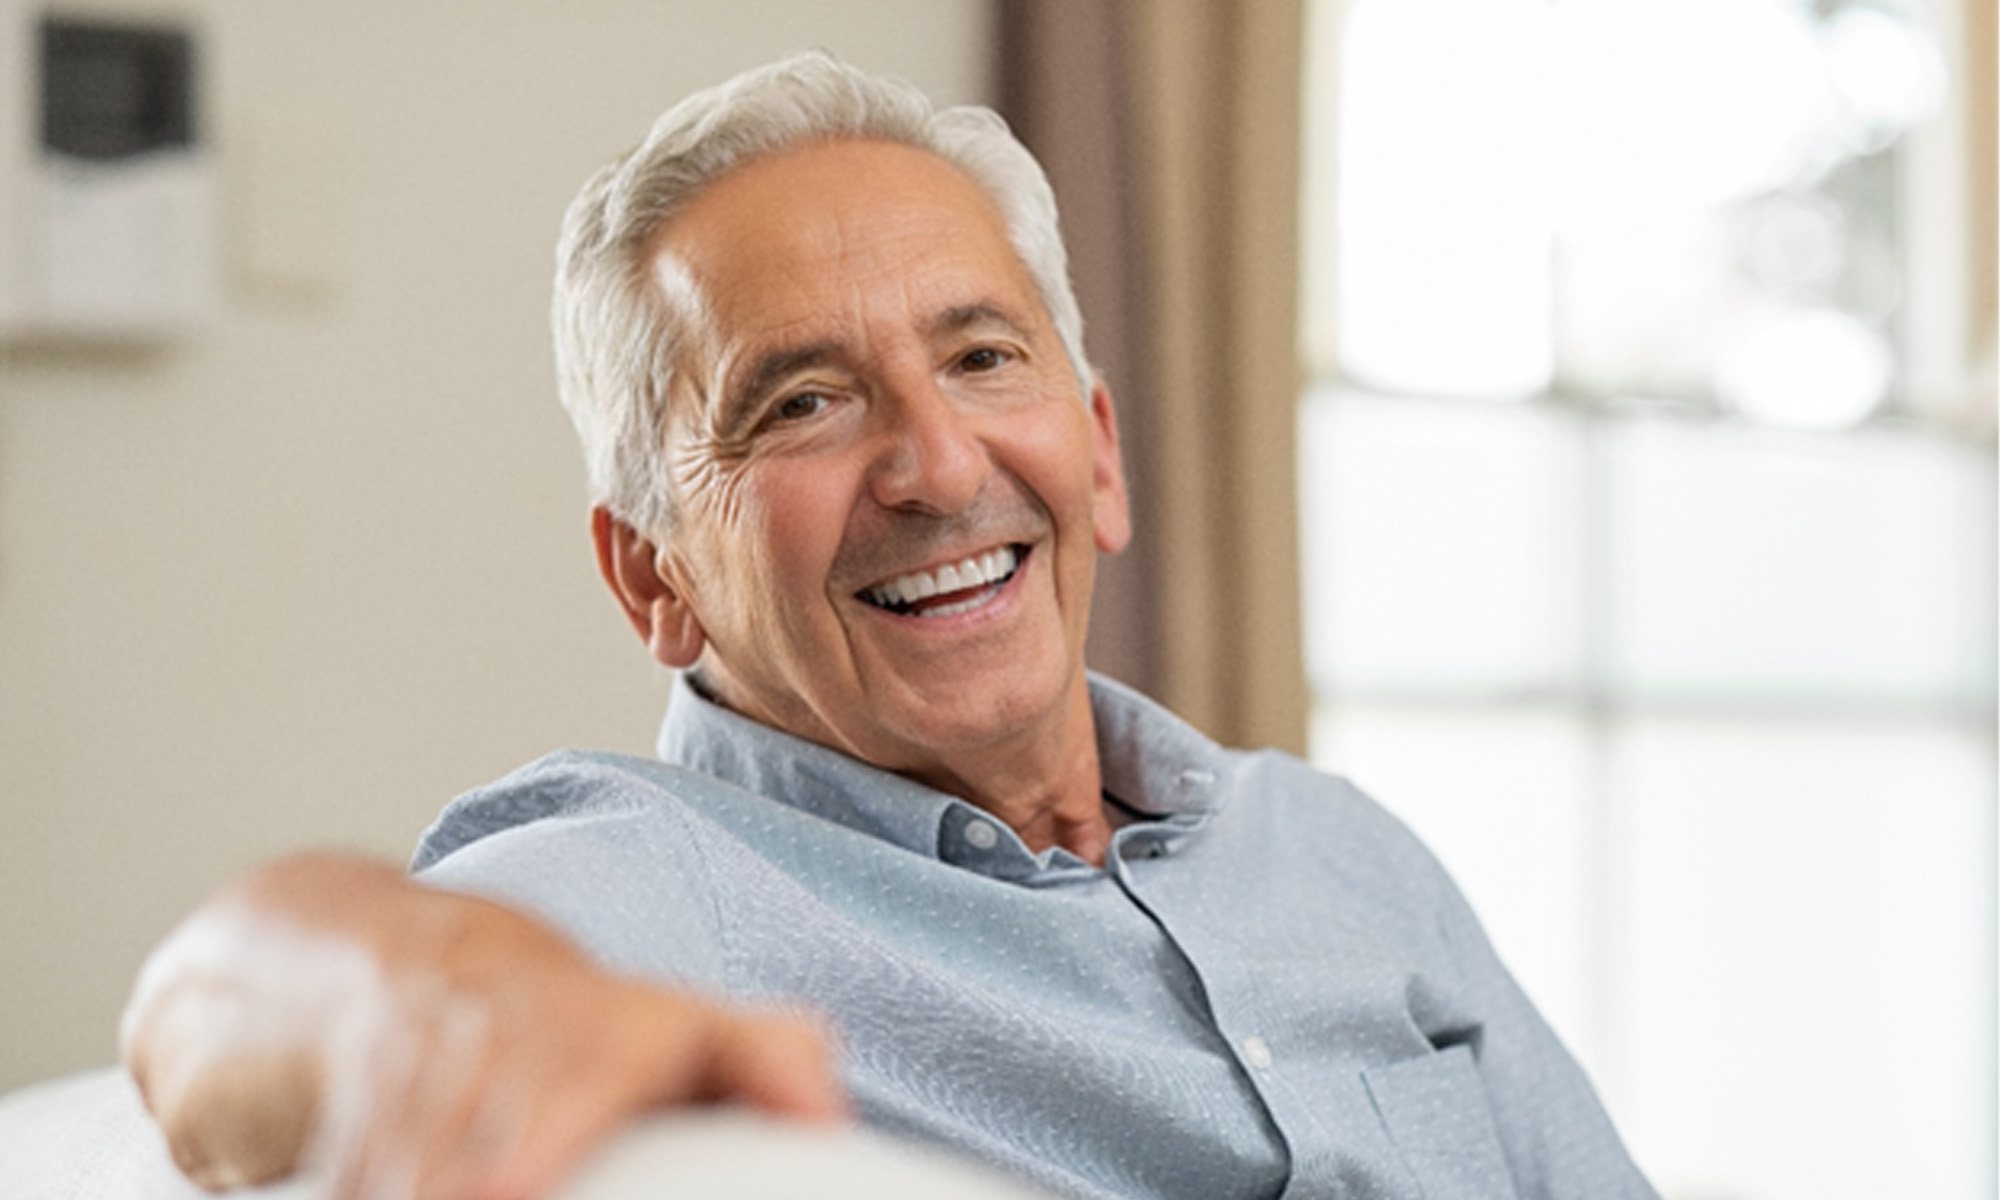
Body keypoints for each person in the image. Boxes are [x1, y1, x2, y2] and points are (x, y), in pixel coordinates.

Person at [121, 51, 1658, 1200]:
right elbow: (214, 1003)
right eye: (803, 403)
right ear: (653, 578)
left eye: (984, 358)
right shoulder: (664, 886)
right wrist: (426, 1005)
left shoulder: (1336, 849)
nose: (935, 466)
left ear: (1102, 455)